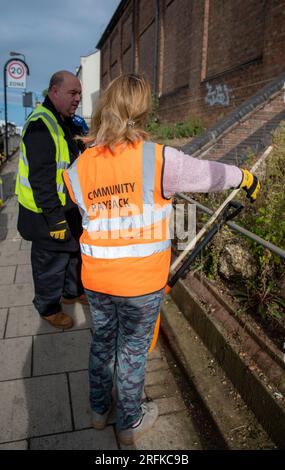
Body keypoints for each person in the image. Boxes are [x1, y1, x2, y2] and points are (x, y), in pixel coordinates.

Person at [63, 74, 260, 445]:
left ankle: (96, 411)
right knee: (133, 352)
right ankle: (129, 422)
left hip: (97, 281)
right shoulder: (159, 159)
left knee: (102, 343)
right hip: (140, 284)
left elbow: (80, 212)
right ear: (142, 110)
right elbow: (211, 175)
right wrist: (244, 177)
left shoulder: (79, 168)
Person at [15, 70, 87, 330]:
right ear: (54, 92)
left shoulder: (62, 120)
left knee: (71, 256)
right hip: (45, 215)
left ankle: (71, 293)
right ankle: (48, 308)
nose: (77, 98)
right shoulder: (40, 125)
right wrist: (56, 219)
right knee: (50, 263)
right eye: (72, 93)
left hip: (66, 209)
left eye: (79, 93)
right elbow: (42, 179)